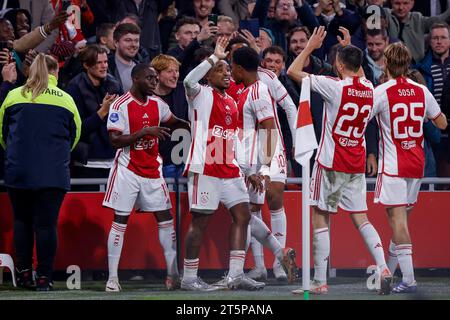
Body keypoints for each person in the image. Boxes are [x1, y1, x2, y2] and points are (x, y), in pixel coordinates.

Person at [181, 38, 296, 291]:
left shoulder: (233, 101)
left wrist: (249, 171)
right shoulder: (199, 93)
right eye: (220, 70)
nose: (227, 73)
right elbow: (188, 80)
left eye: (227, 68)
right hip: (206, 166)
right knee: (200, 221)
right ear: (208, 75)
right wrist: (214, 57)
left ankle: (235, 274)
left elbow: (233, 139)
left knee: (243, 216)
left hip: (230, 168)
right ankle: (189, 278)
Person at [289, 26, 392, 295]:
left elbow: (292, 72)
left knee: (321, 218)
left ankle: (320, 281)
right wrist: (350, 51)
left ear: (337, 64)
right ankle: (382, 266)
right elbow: (357, 71)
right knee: (362, 219)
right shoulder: (370, 88)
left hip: (331, 163)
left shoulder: (333, 86)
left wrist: (309, 47)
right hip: (356, 164)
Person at [103, 63, 190, 292]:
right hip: (127, 170)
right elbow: (114, 141)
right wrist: (144, 132)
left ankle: (172, 274)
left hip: (153, 171)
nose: (154, 82)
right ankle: (112, 278)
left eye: (155, 78)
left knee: (166, 219)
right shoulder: (120, 105)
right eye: (150, 78)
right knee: (119, 221)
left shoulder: (158, 104)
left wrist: (198, 126)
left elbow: (175, 122)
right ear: (136, 78)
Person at [0, 54, 81, 291]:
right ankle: (44, 277)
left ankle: (24, 274)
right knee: (46, 226)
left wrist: (17, 154)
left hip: (19, 171)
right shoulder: (66, 100)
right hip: (53, 173)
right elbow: (74, 136)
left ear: (29, 71)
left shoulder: (14, 96)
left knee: (22, 222)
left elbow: (2, 134)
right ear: (54, 71)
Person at [371, 42, 447, 293]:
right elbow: (442, 123)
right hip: (417, 164)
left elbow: (363, 118)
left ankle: (409, 280)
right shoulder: (421, 91)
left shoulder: (381, 92)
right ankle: (390, 274)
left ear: (386, 63)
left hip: (393, 165)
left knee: (398, 223)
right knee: (400, 222)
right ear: (408, 63)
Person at [66, 44, 122, 183]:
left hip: (113, 160)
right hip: (86, 163)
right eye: (99, 63)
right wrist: (102, 112)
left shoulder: (113, 84)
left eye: (106, 62)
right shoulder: (75, 87)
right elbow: (77, 129)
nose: (104, 66)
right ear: (86, 65)